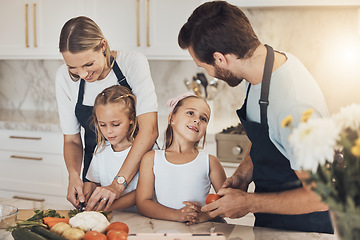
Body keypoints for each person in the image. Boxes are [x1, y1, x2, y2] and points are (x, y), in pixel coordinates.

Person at [178, 1, 333, 234]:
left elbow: (322, 197)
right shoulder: (261, 70)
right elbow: (265, 136)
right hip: (272, 224)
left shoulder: (294, 108)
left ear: (220, 59)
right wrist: (243, 174)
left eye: (203, 65)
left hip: (304, 230)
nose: (208, 72)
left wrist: (248, 202)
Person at [55, 16, 158, 211]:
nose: (83, 74)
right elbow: (72, 141)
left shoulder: (132, 63)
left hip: (137, 169)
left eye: (88, 64)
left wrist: (118, 183)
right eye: (73, 68)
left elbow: (149, 130)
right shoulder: (63, 78)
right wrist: (75, 177)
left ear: (103, 46)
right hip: (95, 171)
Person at [136, 93, 226, 225]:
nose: (197, 120)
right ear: (171, 118)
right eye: (190, 113)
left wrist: (204, 216)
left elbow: (229, 203)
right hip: (166, 231)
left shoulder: (210, 162)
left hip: (202, 231)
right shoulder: (152, 159)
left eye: (203, 119)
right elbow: (143, 203)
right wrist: (177, 215)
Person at [84, 85, 138, 212]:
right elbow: (95, 182)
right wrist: (86, 191)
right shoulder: (102, 148)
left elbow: (146, 192)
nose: (109, 131)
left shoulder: (146, 149)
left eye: (115, 124)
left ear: (131, 118)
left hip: (138, 218)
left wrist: (108, 207)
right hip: (109, 216)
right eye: (102, 125)